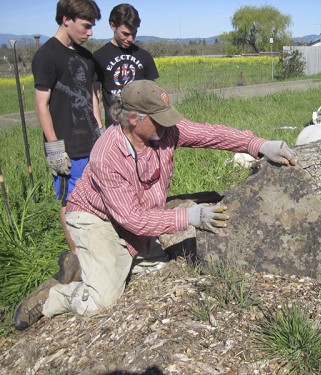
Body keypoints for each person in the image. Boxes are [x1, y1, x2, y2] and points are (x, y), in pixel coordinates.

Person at [13, 80, 296, 330]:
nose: (167, 123)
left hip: (134, 215)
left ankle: (88, 262)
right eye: (158, 118)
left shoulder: (164, 131)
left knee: (156, 268)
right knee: (101, 301)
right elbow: (132, 218)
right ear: (133, 118)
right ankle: (53, 295)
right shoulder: (107, 155)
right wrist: (190, 217)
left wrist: (258, 144)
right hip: (96, 218)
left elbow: (209, 134)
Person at [31, 0, 104, 282]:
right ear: (66, 20)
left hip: (91, 143)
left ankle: (99, 248)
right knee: (70, 203)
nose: (90, 33)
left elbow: (93, 96)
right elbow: (41, 104)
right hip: (67, 149)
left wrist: (99, 129)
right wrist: (54, 148)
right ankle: (79, 259)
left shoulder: (86, 57)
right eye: (85, 26)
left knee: (98, 198)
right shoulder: (46, 56)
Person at [93, 3, 159, 127]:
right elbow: (94, 95)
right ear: (113, 26)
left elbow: (152, 93)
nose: (130, 39)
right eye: (125, 34)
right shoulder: (99, 56)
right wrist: (99, 126)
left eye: (134, 34)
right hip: (114, 127)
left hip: (141, 128)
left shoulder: (144, 56)